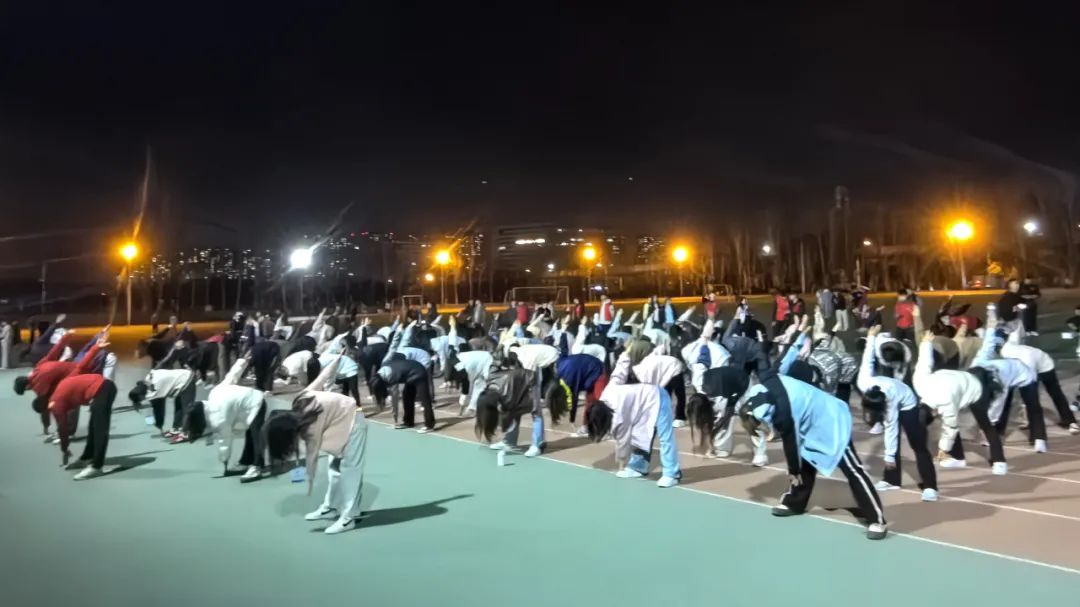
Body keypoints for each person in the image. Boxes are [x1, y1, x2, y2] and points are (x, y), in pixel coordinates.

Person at [738, 371, 888, 540]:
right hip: (811, 415)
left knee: (852, 468)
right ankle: (794, 503)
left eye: (760, 424)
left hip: (831, 418)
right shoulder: (764, 387)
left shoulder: (783, 412)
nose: (762, 427)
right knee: (805, 456)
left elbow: (791, 443)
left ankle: (877, 519)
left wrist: (793, 471)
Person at [265, 353, 368, 535]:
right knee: (334, 467)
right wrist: (336, 361)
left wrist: (306, 475)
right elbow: (320, 380)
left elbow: (312, 453)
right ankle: (330, 507)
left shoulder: (311, 423)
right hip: (337, 421)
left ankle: (349, 517)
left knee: (350, 469)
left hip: (353, 420)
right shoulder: (299, 400)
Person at [859, 327, 938, 501]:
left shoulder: (890, 399)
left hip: (907, 402)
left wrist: (888, 457)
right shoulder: (863, 382)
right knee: (891, 445)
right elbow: (867, 361)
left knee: (917, 444)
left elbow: (892, 429)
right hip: (890, 393)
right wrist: (871, 338)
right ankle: (892, 480)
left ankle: (930, 486)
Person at [912, 331, 1005, 475]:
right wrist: (926, 343)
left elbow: (950, 427)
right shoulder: (919, 384)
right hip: (957, 380)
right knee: (950, 423)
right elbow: (924, 363)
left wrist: (943, 449)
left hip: (976, 389)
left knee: (986, 425)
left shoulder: (946, 402)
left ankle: (1000, 462)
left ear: (933, 413)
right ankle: (958, 458)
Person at [184, 356, 271, 482]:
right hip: (247, 402)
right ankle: (245, 462)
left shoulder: (218, 419)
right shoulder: (214, 393)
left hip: (256, 402)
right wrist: (242, 361)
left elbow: (225, 441)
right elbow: (231, 376)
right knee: (249, 434)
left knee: (256, 435)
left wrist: (224, 461)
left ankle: (257, 467)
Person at [970, 318, 1047, 452]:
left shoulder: (1000, 377)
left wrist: (989, 422)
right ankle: (997, 435)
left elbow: (999, 401)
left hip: (1024, 375)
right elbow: (987, 345)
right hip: (1009, 372)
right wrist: (990, 328)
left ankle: (1039, 439)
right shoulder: (977, 362)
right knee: (1003, 406)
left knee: (1032, 406)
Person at [47, 333, 116, 480]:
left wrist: (65, 449)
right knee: (93, 427)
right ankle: (86, 457)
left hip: (103, 389)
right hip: (102, 387)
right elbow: (81, 365)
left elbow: (63, 429)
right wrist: (96, 347)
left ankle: (97, 466)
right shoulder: (60, 389)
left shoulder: (57, 406)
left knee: (100, 429)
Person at [586, 381, 681, 488]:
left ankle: (672, 474)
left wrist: (621, 460)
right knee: (639, 435)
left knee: (665, 436)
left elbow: (623, 440)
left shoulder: (617, 413)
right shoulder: (604, 402)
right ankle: (638, 466)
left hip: (658, 397)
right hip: (641, 404)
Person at [1000, 336, 1080, 434]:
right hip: (1031, 363)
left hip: (1044, 365)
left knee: (1054, 392)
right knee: (1025, 395)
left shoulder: (1009, 354)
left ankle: (1070, 422)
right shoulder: (1006, 348)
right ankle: (1029, 421)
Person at [129, 366, 198, 441]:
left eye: (140, 399)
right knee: (179, 406)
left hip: (187, 379)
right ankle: (176, 429)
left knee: (187, 409)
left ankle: (185, 434)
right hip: (180, 379)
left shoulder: (153, 393)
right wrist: (136, 401)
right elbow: (141, 382)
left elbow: (158, 410)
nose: (142, 400)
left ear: (141, 395)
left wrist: (158, 425)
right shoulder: (146, 381)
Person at [549, 352, 608, 436]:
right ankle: (585, 427)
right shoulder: (560, 373)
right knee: (589, 403)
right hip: (587, 371)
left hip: (598, 370)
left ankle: (606, 430)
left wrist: (572, 419)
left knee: (601, 402)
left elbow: (574, 397)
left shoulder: (568, 378)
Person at [371, 357, 435, 432]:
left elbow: (395, 397)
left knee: (425, 399)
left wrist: (395, 416)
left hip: (419, 372)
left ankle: (429, 425)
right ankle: (408, 422)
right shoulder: (381, 371)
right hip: (409, 373)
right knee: (407, 397)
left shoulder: (390, 376)